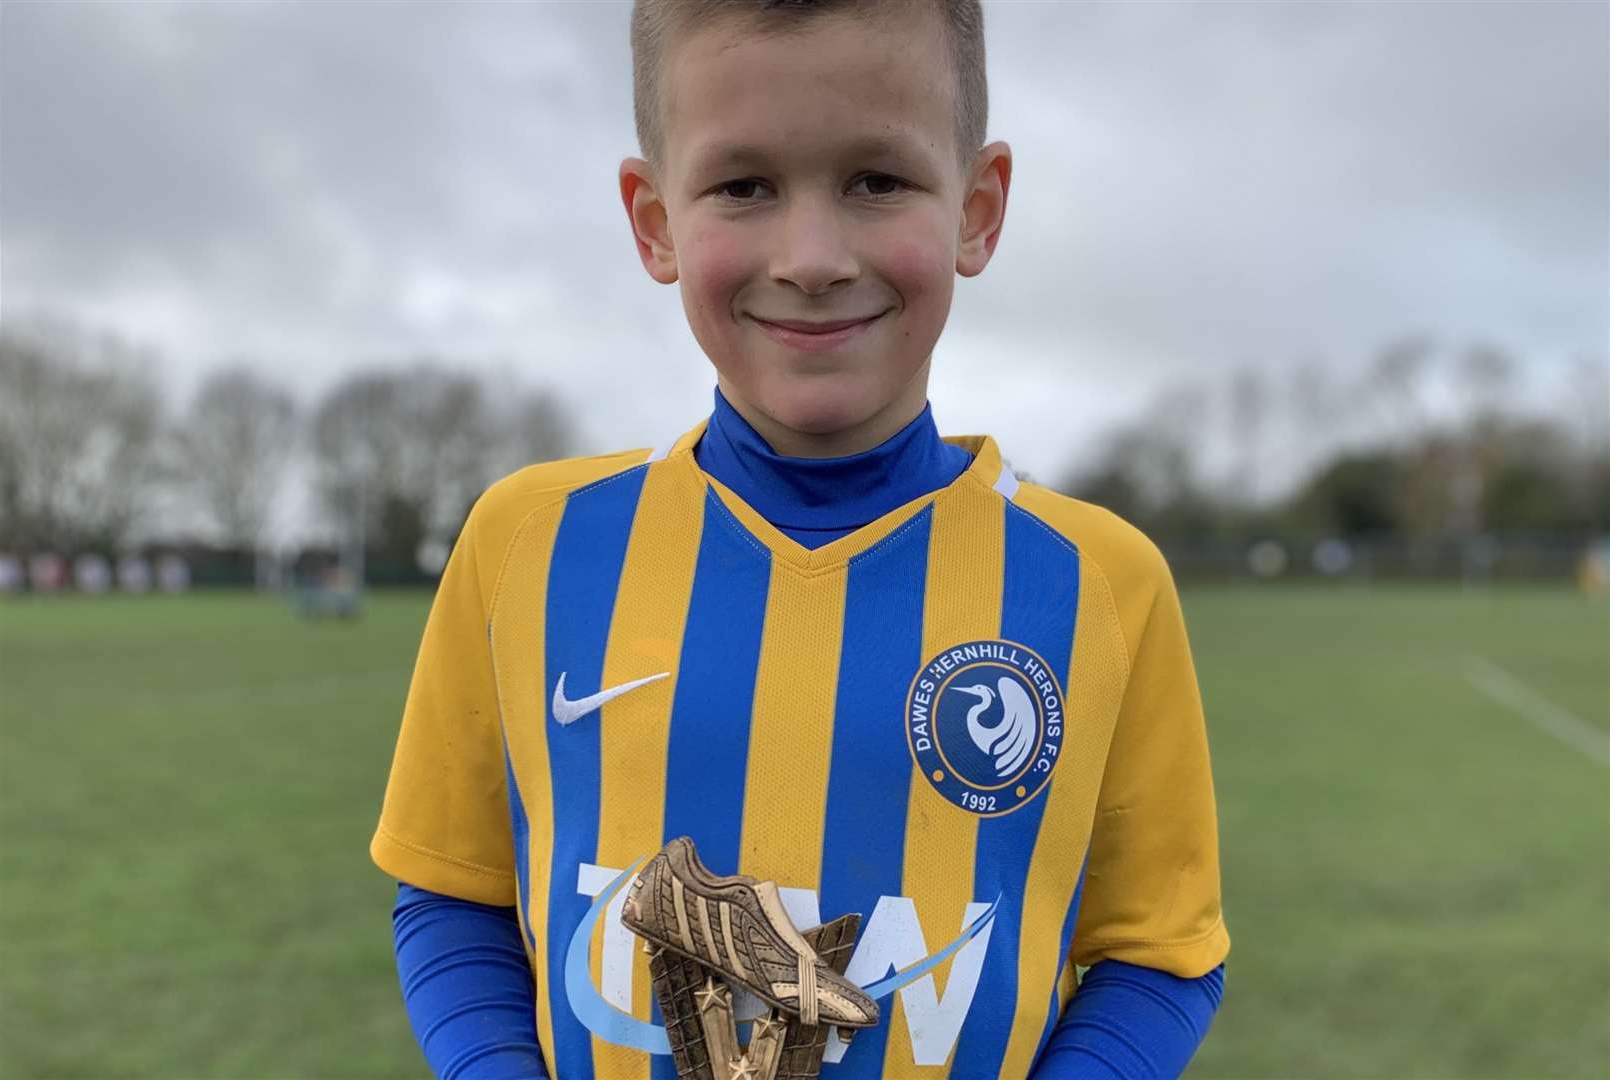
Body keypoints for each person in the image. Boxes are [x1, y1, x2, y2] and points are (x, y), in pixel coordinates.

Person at [370, 1, 1230, 1077]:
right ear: (654, 220)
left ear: (978, 207)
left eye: (876, 180)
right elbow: (454, 896)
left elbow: (1162, 952)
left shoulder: (1100, 585)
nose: (813, 257)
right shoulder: (528, 546)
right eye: (743, 186)